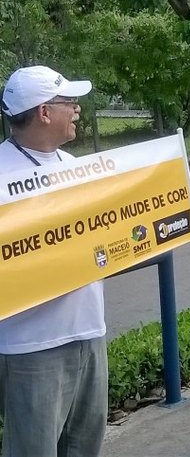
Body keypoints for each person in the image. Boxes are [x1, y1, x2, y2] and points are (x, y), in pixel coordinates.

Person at [0, 66, 107, 457]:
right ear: (45, 112)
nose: (76, 109)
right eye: (68, 102)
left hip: (89, 334)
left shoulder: (76, 168)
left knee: (85, 448)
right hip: (31, 347)